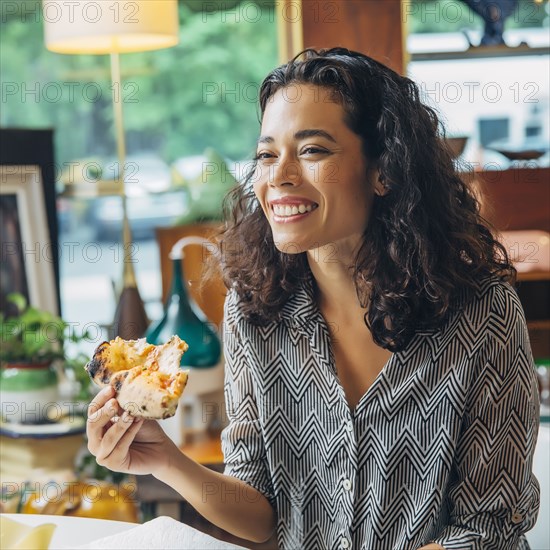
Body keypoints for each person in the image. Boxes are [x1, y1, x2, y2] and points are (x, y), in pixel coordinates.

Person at [87, 48, 540, 549]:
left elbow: (489, 526)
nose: (278, 175)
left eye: (312, 150)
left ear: (383, 170)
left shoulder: (481, 311)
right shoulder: (254, 310)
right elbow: (263, 513)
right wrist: (164, 460)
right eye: (266, 154)